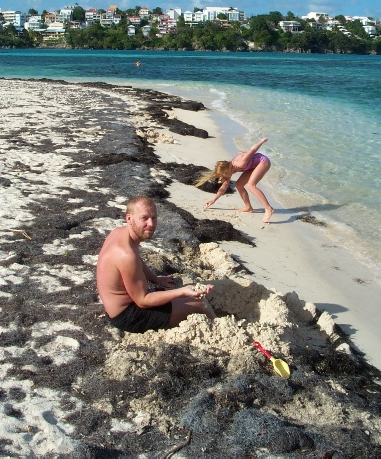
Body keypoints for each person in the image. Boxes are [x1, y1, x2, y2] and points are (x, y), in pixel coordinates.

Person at [96, 196, 215, 334]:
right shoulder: (126, 255)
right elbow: (142, 300)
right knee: (201, 304)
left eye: (154, 218)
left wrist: (156, 279)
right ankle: (223, 331)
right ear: (129, 218)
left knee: (179, 291)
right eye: (144, 218)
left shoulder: (118, 233)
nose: (151, 224)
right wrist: (182, 291)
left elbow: (137, 261)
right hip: (128, 316)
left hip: (121, 305)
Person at [195, 137, 274, 223]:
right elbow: (223, 187)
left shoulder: (241, 163)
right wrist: (213, 200)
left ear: (228, 170)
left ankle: (269, 208)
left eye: (224, 174)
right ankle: (248, 207)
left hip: (263, 162)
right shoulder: (229, 170)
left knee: (251, 185)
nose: (224, 177)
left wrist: (262, 141)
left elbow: (253, 149)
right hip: (252, 165)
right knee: (238, 185)